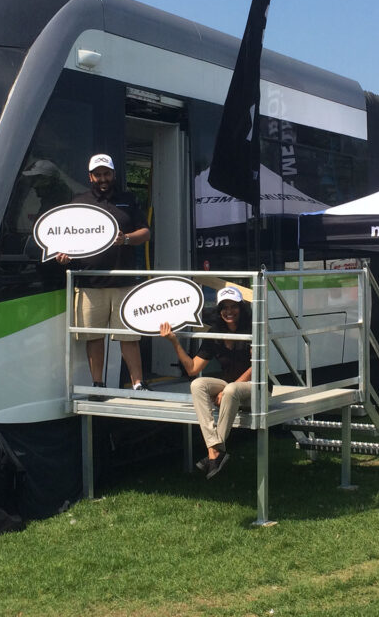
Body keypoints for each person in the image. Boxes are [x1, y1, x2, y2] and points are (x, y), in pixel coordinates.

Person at [55, 154, 151, 393]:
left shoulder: (128, 199)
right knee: (94, 337)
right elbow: (66, 237)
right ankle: (98, 384)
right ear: (90, 177)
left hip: (124, 281)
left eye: (106, 174)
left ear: (113, 174)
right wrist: (63, 254)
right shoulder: (78, 201)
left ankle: (138, 384)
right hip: (90, 282)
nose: (103, 179)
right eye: (97, 175)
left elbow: (146, 233)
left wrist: (126, 239)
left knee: (129, 337)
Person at [159, 286, 253, 479]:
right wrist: (175, 342)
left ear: (241, 308)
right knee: (197, 384)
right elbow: (193, 368)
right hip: (231, 388)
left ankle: (214, 452)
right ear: (219, 311)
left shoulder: (254, 328)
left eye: (233, 306)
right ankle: (216, 450)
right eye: (224, 307)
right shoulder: (215, 333)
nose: (229, 311)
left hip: (256, 388)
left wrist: (227, 389)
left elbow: (257, 368)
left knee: (232, 389)